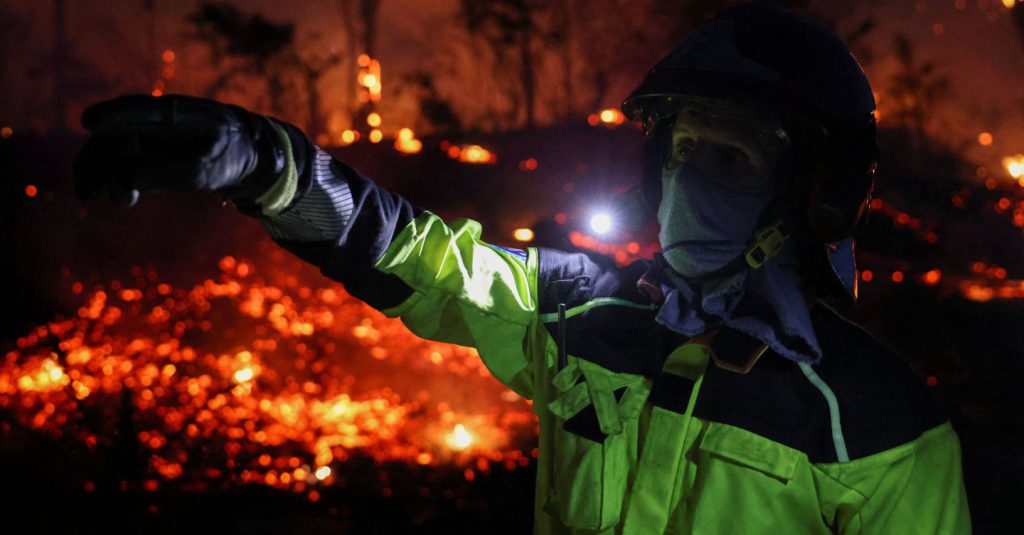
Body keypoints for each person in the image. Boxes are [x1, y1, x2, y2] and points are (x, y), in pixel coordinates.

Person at [73, 2, 970, 533]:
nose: (693, 183)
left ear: (809, 197)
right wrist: (274, 169)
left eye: (732, 161)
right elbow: (418, 257)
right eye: (684, 151)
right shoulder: (585, 311)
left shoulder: (878, 425)